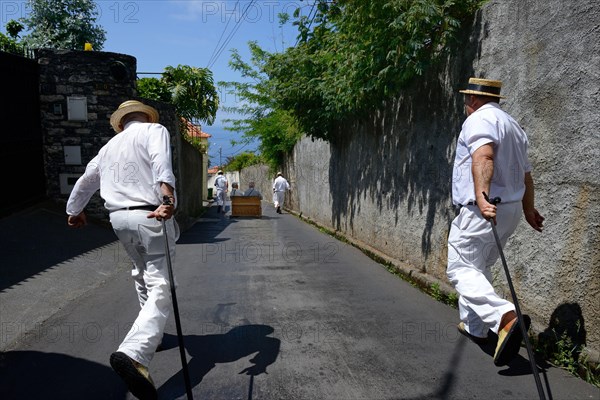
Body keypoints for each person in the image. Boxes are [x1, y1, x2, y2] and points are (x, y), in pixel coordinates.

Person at [66, 100, 179, 399]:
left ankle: (151, 338)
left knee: (141, 274)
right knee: (161, 283)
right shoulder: (155, 130)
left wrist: (74, 210)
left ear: (121, 121)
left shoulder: (108, 148)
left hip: (119, 219)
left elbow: (87, 180)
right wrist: (167, 200)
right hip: (149, 214)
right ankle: (135, 352)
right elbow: (160, 163)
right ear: (145, 116)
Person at [447, 78, 545, 367]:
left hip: (487, 207)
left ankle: (505, 317)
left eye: (467, 100)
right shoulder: (513, 126)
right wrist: (528, 210)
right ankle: (475, 327)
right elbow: (526, 176)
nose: (465, 105)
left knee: (460, 267)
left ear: (475, 101)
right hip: (511, 209)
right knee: (478, 266)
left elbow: (484, 156)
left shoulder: (480, 119)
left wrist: (480, 196)